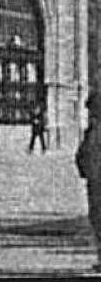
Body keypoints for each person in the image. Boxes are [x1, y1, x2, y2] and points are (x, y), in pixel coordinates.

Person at [77, 94, 101, 272]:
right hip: (95, 180)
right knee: (96, 219)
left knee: (98, 218)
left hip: (97, 180)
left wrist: (85, 170)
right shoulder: (93, 129)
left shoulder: (95, 130)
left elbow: (87, 152)